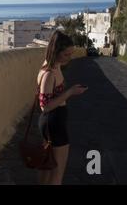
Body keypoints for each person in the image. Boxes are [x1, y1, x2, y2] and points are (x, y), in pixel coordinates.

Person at [36, 30, 88, 185]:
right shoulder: (49, 74)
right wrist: (70, 92)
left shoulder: (56, 67)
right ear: (56, 51)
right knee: (57, 173)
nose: (69, 58)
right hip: (53, 123)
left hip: (53, 123)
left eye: (71, 54)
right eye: (66, 54)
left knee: (47, 168)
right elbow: (44, 106)